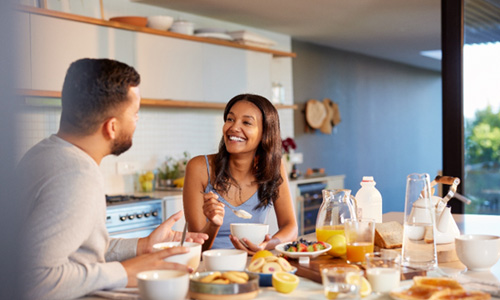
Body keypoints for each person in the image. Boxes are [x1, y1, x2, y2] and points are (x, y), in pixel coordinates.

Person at [17, 58, 208, 300]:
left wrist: (142, 246)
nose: (138, 120)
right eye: (135, 113)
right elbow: (34, 280)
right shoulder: (77, 176)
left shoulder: (42, 153)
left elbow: (75, 254)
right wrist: (125, 271)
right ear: (112, 127)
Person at [182, 93, 298, 254]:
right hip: (210, 266)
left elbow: (290, 227)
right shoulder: (199, 168)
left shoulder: (274, 167)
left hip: (253, 263)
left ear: (265, 133)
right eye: (230, 119)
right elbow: (198, 247)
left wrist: (267, 245)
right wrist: (213, 224)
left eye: (246, 122)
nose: (234, 127)